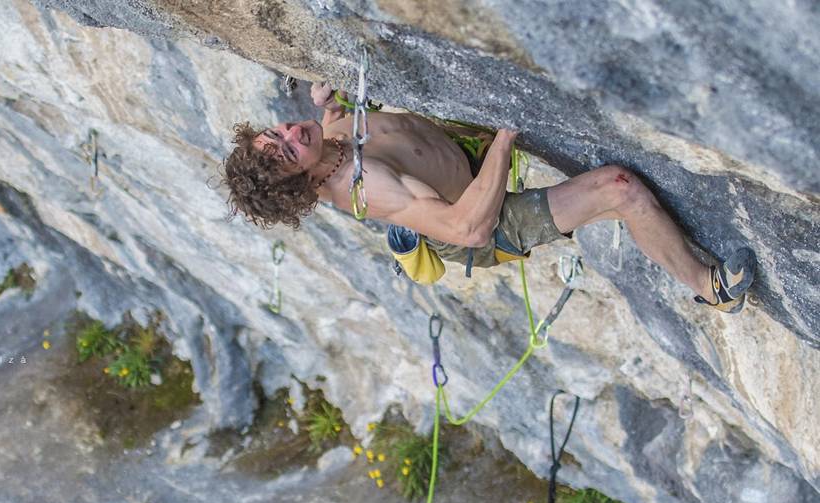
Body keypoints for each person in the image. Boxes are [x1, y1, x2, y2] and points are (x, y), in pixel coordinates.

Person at [221, 82, 756, 313]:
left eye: (281, 131)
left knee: (615, 194)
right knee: (619, 187)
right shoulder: (366, 188)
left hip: (463, 160)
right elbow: (468, 228)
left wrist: (326, 107)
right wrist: (504, 136)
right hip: (486, 221)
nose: (295, 135)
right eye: (289, 150)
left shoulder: (325, 139)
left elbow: (332, 131)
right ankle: (712, 289)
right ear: (300, 183)